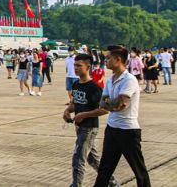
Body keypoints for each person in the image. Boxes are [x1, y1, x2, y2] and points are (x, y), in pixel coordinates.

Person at [93, 47, 150, 187]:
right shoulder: (110, 80)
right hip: (112, 129)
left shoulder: (129, 80)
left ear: (118, 60)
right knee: (104, 169)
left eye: (108, 58)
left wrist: (111, 104)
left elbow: (121, 104)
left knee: (139, 170)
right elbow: (103, 104)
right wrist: (112, 104)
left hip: (128, 131)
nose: (105, 61)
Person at [63, 53, 118, 187]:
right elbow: (76, 103)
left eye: (79, 66)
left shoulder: (95, 88)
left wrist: (83, 115)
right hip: (79, 127)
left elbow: (104, 109)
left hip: (89, 128)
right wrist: (67, 111)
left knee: (78, 158)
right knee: (92, 159)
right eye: (74, 65)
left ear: (88, 67)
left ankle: (76, 184)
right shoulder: (76, 84)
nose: (75, 68)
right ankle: (111, 181)